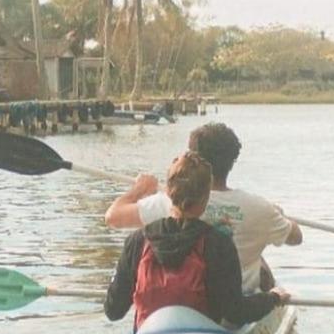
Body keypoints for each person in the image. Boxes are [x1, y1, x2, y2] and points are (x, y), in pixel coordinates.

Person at [105, 122, 302, 293]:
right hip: (234, 305)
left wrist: (138, 190)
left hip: (183, 298)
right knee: (261, 265)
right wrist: (279, 216)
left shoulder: (170, 200)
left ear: (192, 159)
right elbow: (296, 238)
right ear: (232, 162)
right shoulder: (260, 209)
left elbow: (113, 217)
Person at [104, 151, 288, 330]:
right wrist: (273, 298)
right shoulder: (218, 244)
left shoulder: (137, 241)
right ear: (206, 197)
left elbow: (113, 311)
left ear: (168, 192)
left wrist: (138, 190)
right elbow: (235, 312)